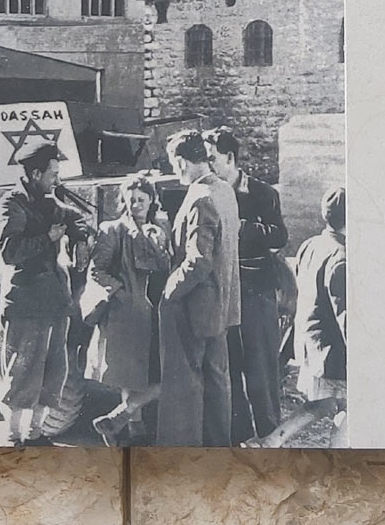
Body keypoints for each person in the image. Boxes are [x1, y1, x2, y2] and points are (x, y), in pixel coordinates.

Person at [0, 141, 92, 448]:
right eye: (52, 174)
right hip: (27, 301)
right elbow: (10, 252)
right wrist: (48, 237)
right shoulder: (12, 205)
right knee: (24, 371)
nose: (56, 180)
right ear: (36, 174)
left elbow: (75, 218)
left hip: (54, 302)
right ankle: (15, 435)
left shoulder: (46, 200)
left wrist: (81, 240)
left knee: (53, 372)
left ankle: (36, 433)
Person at [210, 130, 287, 442]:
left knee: (261, 369)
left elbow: (279, 237)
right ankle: (240, 438)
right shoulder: (209, 193)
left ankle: (271, 437)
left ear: (230, 159)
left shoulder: (262, 193)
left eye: (212, 159)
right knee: (229, 368)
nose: (209, 166)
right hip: (223, 293)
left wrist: (245, 229)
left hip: (255, 294)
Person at [158, 130, 233, 447]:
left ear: (181, 161)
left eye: (174, 164)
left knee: (186, 390)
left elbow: (199, 260)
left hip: (195, 308)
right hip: (221, 307)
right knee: (217, 384)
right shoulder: (225, 190)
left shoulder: (199, 198)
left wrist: (169, 290)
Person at [86, 175, 171, 446]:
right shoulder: (113, 230)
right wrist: (121, 292)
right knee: (131, 376)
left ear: (151, 201)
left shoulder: (160, 229)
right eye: (131, 200)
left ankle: (119, 419)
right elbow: (96, 270)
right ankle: (135, 431)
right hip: (128, 315)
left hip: (158, 310)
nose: (136, 205)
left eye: (141, 200)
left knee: (162, 372)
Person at [293, 186, 347, 446]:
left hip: (311, 347)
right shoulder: (342, 259)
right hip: (334, 357)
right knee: (354, 414)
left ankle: (271, 441)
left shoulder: (312, 244)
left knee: (329, 407)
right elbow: (347, 319)